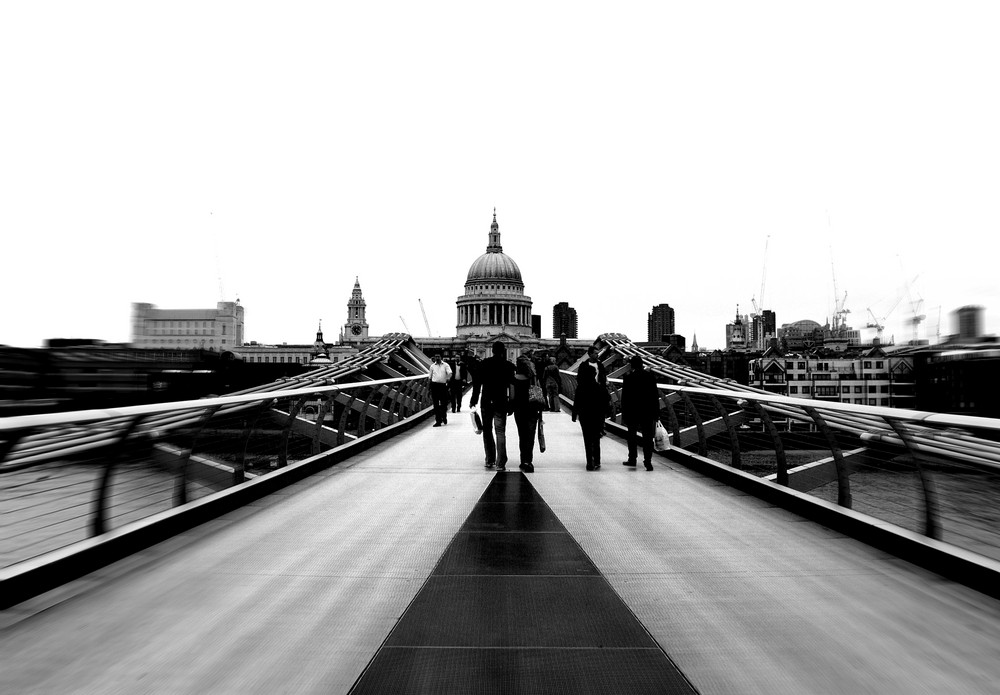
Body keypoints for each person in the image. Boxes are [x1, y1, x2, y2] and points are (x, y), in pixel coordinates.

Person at [470, 341, 516, 470]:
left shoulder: (484, 364)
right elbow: (512, 387)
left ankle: (489, 459)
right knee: (500, 431)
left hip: (486, 401)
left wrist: (473, 400)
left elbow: (477, 384)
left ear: (492, 350)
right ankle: (500, 463)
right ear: (503, 351)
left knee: (487, 431)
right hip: (501, 402)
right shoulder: (508, 366)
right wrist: (511, 404)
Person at [572, 345, 608, 471]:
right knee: (596, 436)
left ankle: (590, 462)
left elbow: (577, 397)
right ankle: (596, 460)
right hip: (597, 412)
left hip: (584, 412)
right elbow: (606, 399)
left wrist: (574, 414)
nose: (597, 355)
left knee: (587, 438)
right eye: (596, 353)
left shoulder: (582, 387)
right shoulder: (599, 389)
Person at [621, 355, 660, 471]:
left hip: (632, 411)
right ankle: (648, 462)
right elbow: (655, 396)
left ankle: (632, 459)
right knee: (648, 438)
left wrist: (624, 413)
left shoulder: (628, 377)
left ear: (632, 365)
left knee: (631, 436)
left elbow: (625, 398)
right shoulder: (650, 377)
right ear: (642, 364)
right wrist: (656, 413)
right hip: (647, 412)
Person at [512, 355, 543, 473]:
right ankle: (528, 461)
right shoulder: (533, 378)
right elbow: (539, 392)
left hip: (519, 410)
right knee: (530, 435)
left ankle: (522, 460)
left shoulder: (514, 378)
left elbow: (513, 396)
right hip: (532, 408)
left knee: (522, 435)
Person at [428, 353, 452, 426]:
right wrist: (429, 388)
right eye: (436, 357)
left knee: (444, 403)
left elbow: (450, 373)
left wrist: (448, 378)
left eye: (438, 356)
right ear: (434, 358)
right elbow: (430, 377)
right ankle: (438, 421)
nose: (437, 358)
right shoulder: (432, 366)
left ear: (441, 357)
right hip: (434, 386)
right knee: (435, 404)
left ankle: (444, 416)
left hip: (442, 386)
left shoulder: (445, 365)